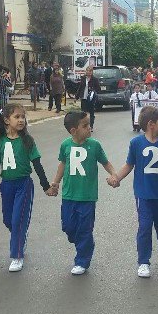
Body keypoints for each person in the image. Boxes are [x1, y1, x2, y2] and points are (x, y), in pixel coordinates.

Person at [109, 106, 158, 278]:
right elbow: (129, 165)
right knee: (144, 226)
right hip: (143, 194)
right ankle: (143, 261)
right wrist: (117, 178)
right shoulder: (136, 143)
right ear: (151, 124)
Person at [46, 111, 117, 275]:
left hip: (87, 196)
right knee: (68, 227)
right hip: (69, 195)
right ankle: (82, 242)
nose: (89, 128)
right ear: (73, 130)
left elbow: (105, 162)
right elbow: (62, 164)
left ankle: (82, 260)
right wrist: (55, 182)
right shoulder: (65, 145)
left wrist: (113, 174)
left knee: (84, 229)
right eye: (85, 126)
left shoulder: (95, 145)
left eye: (89, 124)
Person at [0, 103, 52, 273]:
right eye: (17, 117)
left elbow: (37, 164)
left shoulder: (27, 140)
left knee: (18, 221)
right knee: (9, 220)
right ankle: (20, 236)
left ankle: (17, 256)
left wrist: (45, 186)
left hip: (24, 184)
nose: (21, 120)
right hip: (6, 185)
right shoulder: (0, 141)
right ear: (7, 120)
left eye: (23, 117)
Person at [77, 64, 100, 129]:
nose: (88, 72)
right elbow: (80, 87)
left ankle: (91, 126)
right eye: (87, 71)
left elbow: (98, 89)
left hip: (91, 98)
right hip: (84, 97)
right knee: (83, 113)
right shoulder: (83, 78)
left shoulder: (95, 79)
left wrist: (93, 91)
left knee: (91, 112)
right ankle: (84, 125)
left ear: (92, 72)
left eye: (90, 71)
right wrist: (77, 96)